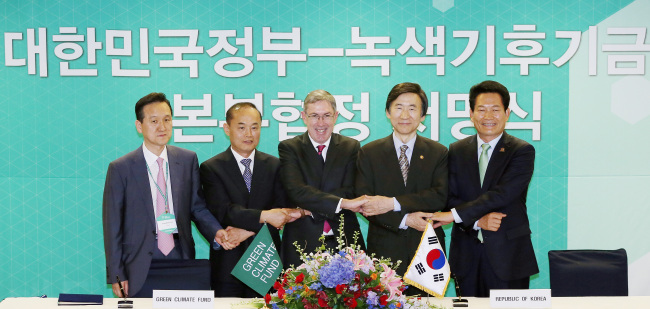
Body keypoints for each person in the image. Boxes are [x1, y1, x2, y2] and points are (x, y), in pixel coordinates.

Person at [103, 92, 232, 298]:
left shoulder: (187, 160)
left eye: (167, 119)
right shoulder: (121, 168)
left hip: (180, 255)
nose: (162, 127)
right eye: (154, 121)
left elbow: (197, 207)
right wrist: (117, 274)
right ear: (139, 126)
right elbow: (113, 226)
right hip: (139, 261)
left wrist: (216, 231)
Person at [431, 80, 538, 297]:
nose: (488, 116)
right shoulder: (456, 150)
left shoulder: (522, 151)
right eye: (481, 109)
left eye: (495, 109)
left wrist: (454, 215)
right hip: (466, 255)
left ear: (507, 112)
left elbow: (503, 194)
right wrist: (478, 221)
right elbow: (449, 197)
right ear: (471, 113)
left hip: (508, 256)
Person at [200, 103, 304, 297]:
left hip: (266, 262)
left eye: (254, 127)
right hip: (228, 263)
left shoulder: (275, 165)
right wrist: (265, 216)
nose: (249, 133)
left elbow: (281, 212)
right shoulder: (211, 168)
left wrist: (246, 232)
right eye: (241, 127)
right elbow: (224, 211)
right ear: (226, 128)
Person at [355, 82, 448, 289]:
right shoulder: (369, 153)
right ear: (388, 112)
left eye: (412, 108)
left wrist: (393, 203)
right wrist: (406, 219)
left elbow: (439, 196)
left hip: (427, 249)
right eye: (398, 107)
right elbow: (365, 203)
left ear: (423, 115)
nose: (405, 115)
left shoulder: (438, 152)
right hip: (384, 249)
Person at [278, 89, 367, 268]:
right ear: (304, 117)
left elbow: (351, 190)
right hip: (302, 239)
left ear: (336, 116)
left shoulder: (351, 147)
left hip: (344, 237)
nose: (320, 122)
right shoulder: (290, 148)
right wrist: (342, 203)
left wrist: (309, 209)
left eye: (326, 115)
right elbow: (297, 191)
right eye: (314, 116)